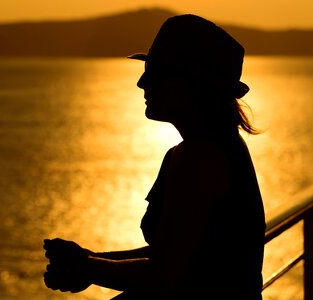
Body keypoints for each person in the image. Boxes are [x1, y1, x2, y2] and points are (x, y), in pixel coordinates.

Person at [43, 14, 266, 300]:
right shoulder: (217, 147)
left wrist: (87, 268)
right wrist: (93, 260)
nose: (141, 82)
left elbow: (164, 276)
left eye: (156, 72)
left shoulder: (198, 157)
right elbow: (181, 251)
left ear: (192, 85)